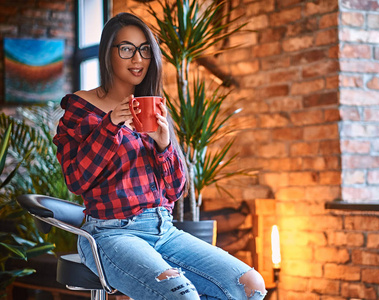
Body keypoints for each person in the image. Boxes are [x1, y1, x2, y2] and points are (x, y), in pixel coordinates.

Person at [53, 12, 266, 300]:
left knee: (250, 285)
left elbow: (175, 190)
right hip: (110, 234)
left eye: (144, 50)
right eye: (127, 49)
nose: (137, 59)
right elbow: (77, 180)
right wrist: (110, 126)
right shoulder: (81, 109)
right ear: (108, 53)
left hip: (164, 229)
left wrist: (165, 145)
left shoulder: (153, 107)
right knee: (181, 294)